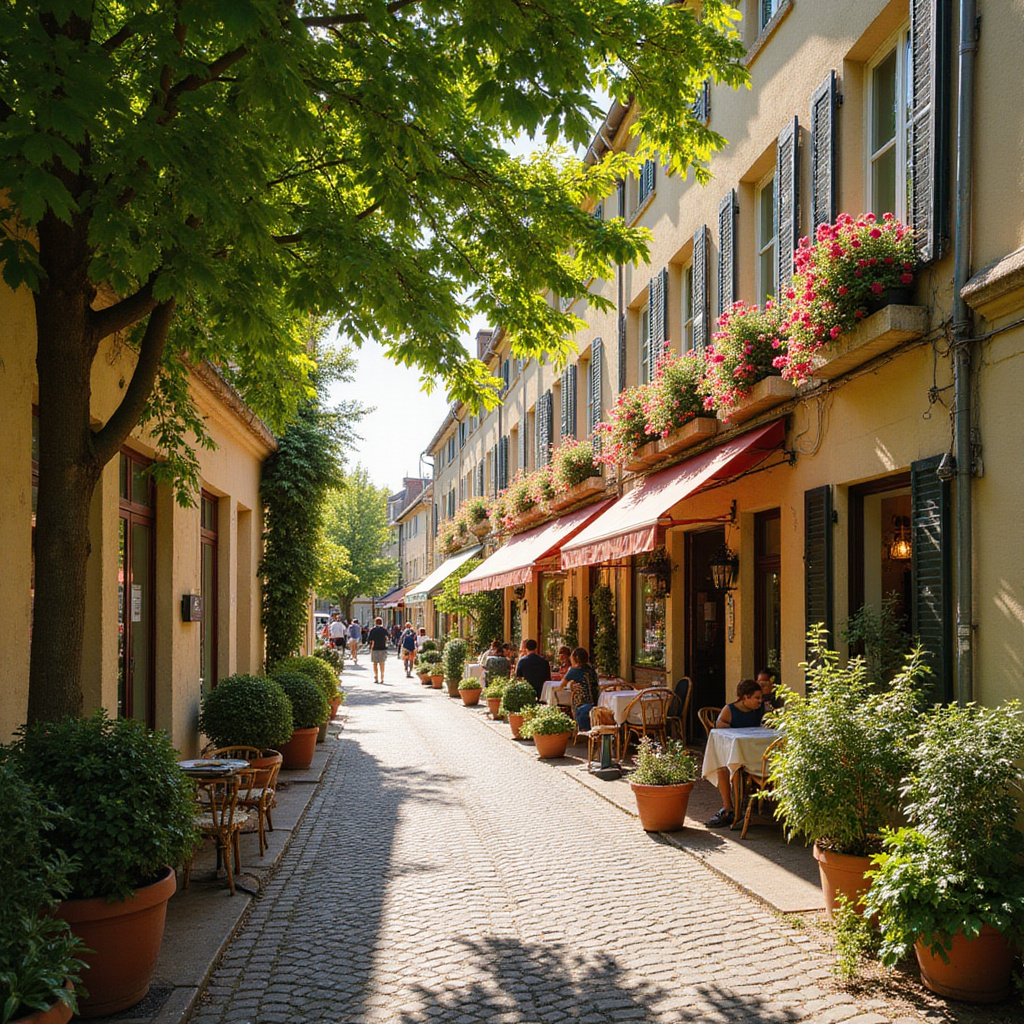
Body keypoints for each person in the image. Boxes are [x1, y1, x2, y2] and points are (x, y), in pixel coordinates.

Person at [705, 680, 765, 828]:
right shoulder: (730, 710)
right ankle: (729, 808)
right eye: (757, 698)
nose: (760, 701)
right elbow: (719, 726)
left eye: (761, 698)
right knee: (722, 766)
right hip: (736, 751)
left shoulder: (760, 709)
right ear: (745, 698)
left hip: (756, 752)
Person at [563, 647, 600, 732]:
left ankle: (578, 728)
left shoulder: (573, 671)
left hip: (581, 707)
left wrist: (570, 686)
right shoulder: (592, 671)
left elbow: (561, 687)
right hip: (596, 704)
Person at [367, 617, 390, 683]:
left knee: (375, 663)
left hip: (374, 648)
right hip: (382, 648)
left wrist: (370, 646)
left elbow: (369, 639)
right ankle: (382, 677)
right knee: (382, 663)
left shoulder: (372, 630)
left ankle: (376, 677)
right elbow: (388, 637)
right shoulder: (384, 630)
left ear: (375, 622)